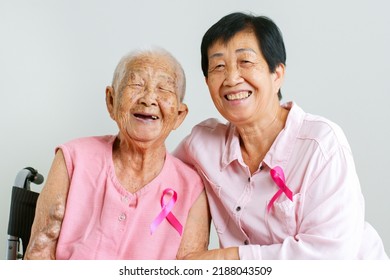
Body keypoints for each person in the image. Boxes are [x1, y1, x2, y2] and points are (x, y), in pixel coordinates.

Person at [173, 12, 389, 259]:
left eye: (245, 62)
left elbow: (331, 257)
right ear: (207, 81)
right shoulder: (202, 144)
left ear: (277, 74)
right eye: (219, 66)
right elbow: (155, 177)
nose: (231, 78)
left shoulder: (321, 144)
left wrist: (224, 259)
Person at [24, 47, 209, 260]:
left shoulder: (192, 188)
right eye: (137, 84)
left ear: (179, 115)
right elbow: (38, 256)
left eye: (163, 88)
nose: (149, 98)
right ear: (111, 101)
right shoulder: (73, 158)